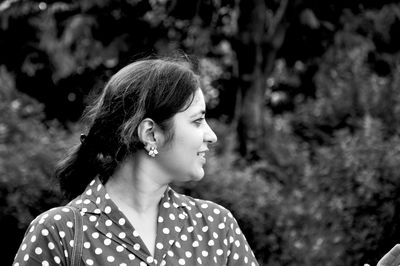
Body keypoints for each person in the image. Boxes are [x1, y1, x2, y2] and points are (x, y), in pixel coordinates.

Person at [13, 57, 259, 266]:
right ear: (151, 134)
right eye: (197, 121)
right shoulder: (59, 234)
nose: (211, 136)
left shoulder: (216, 227)